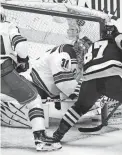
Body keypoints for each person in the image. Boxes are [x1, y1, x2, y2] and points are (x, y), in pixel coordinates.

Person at [0, 7, 62, 151]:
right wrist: (23, 61)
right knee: (34, 101)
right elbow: (20, 44)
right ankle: (41, 138)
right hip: (5, 71)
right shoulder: (7, 26)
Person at [52, 23, 122, 141]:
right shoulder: (118, 37)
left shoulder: (94, 44)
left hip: (89, 78)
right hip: (110, 76)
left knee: (79, 108)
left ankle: (58, 134)